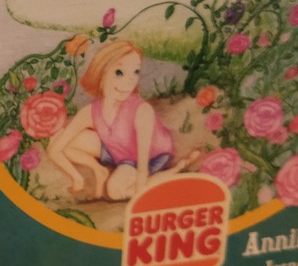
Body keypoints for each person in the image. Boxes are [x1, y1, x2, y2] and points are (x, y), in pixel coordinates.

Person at [47, 40, 192, 201]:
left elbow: (142, 168)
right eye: (119, 73)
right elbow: (54, 149)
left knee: (115, 191)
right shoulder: (90, 111)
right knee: (58, 139)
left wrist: (140, 189)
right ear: (101, 73)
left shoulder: (141, 110)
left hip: (150, 157)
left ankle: (171, 173)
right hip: (117, 151)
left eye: (135, 72)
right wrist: (76, 177)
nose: (130, 80)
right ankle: (100, 170)